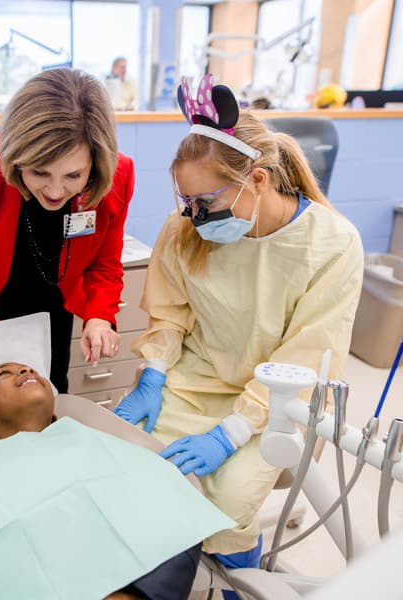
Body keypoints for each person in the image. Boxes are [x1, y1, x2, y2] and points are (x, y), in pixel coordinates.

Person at [113, 74, 363, 582]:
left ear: (258, 180)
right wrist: (153, 372)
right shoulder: (185, 227)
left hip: (280, 400)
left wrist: (230, 432)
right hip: (199, 375)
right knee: (133, 459)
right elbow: (170, 309)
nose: (194, 217)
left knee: (227, 500)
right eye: (187, 202)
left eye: (205, 203)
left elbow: (306, 357)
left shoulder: (333, 244)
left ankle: (234, 577)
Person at [0, 362, 202, 600]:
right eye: (5, 373)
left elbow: (179, 516)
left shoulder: (99, 449)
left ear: (56, 415)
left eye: (28, 369)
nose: (24, 371)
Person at [0, 68, 134, 393]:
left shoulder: (115, 175)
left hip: (55, 299)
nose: (55, 192)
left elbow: (104, 264)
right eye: (40, 172)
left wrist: (99, 316)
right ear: (16, 156)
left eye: (73, 176)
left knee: (50, 391)